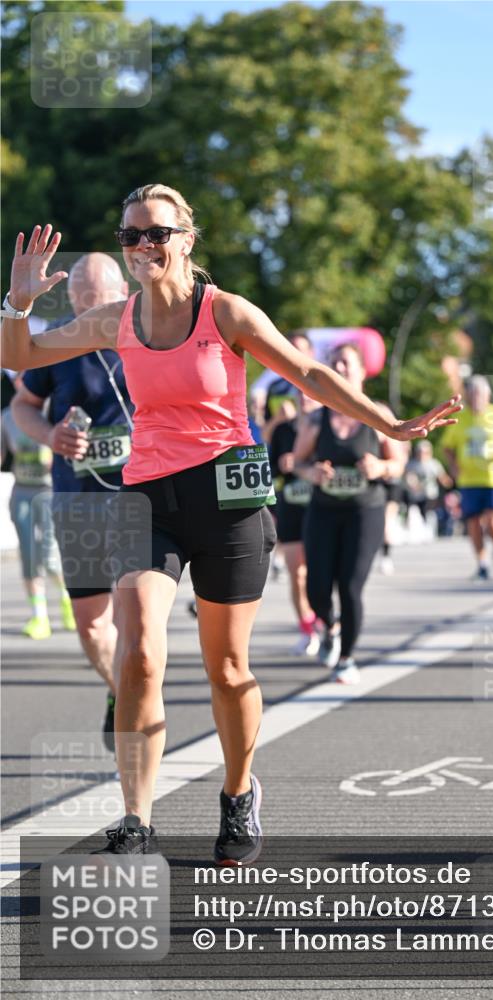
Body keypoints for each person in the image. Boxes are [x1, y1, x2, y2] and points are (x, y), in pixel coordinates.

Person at [1, 186, 462, 860]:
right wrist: (17, 299)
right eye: (130, 236)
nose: (142, 248)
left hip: (227, 497)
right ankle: (135, 818)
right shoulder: (115, 321)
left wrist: (386, 424)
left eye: (156, 233)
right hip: (147, 497)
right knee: (138, 657)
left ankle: (239, 791)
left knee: (226, 668)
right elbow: (26, 356)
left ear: (188, 237)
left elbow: (306, 371)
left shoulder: (227, 313)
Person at [10, 254, 131, 749]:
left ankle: (137, 702)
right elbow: (21, 405)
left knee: (136, 617)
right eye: (83, 301)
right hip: (76, 499)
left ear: (123, 289)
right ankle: (123, 692)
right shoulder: (60, 339)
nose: (92, 312)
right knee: (91, 626)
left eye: (100, 300)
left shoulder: (148, 332)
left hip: (137, 497)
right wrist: (50, 435)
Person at [293, 343, 409, 683]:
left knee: (350, 586)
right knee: (316, 588)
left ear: (361, 372)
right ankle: (329, 626)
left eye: (347, 363)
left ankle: (346, 658)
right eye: (335, 363)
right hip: (323, 511)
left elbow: (400, 464)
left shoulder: (377, 413)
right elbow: (296, 462)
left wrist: (381, 467)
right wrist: (311, 473)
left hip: (365, 511)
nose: (341, 368)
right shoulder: (317, 417)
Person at [1, 376, 75, 639]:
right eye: (19, 377)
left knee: (50, 556)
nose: (23, 381)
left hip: (49, 491)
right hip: (22, 491)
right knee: (29, 556)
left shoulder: (53, 412)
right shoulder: (8, 417)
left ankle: (68, 600)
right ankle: (39, 615)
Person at [442, 375, 493, 580]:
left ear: (488, 396)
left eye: (480, 395)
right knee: (474, 522)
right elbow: (447, 447)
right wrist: (454, 466)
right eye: (472, 394)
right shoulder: (460, 417)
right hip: (469, 479)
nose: (476, 399)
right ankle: (482, 563)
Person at [268, 390, 321, 656]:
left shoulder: (327, 426)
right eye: (299, 393)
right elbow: (271, 467)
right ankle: (307, 629)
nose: (304, 397)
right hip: (290, 505)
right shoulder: (283, 431)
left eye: (309, 393)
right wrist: (282, 464)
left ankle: (325, 619)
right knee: (296, 573)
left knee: (320, 573)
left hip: (321, 508)